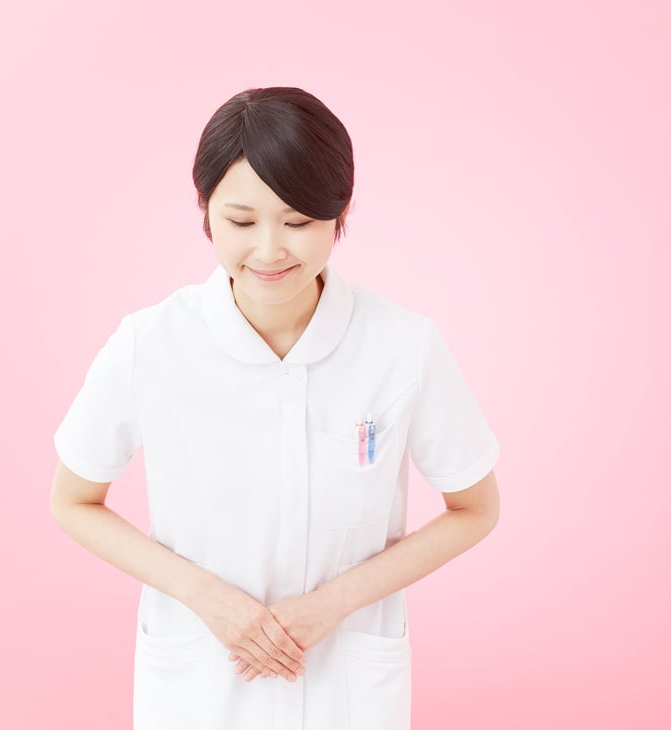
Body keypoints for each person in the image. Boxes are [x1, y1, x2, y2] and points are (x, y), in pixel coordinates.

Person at [49, 86, 501, 730]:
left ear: (339, 211)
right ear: (205, 212)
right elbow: (72, 500)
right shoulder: (150, 344)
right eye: (240, 222)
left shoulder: (403, 346)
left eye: (297, 222)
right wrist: (206, 597)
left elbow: (476, 508)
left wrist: (334, 604)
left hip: (346, 681)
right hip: (200, 677)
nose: (268, 251)